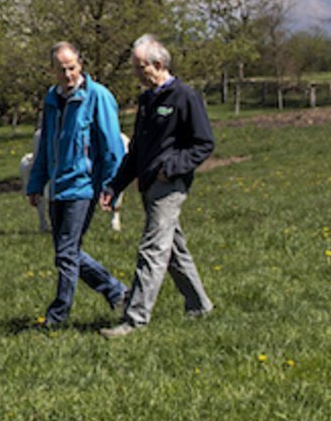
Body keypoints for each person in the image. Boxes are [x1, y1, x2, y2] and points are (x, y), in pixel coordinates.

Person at [99, 34, 215, 338]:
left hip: (170, 186)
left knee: (152, 249)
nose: (136, 74)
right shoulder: (147, 100)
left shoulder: (185, 97)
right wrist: (114, 186)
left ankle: (134, 318)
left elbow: (204, 143)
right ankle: (199, 306)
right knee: (174, 249)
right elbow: (136, 151)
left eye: (140, 68)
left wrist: (171, 168)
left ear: (159, 64)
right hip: (147, 185)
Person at [25, 41, 128, 328]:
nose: (68, 74)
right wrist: (36, 183)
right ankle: (118, 292)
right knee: (67, 252)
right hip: (58, 186)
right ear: (52, 71)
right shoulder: (51, 99)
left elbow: (111, 146)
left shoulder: (97, 96)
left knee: (66, 254)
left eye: (72, 68)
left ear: (80, 65)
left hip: (83, 186)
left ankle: (57, 317)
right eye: (61, 70)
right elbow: (46, 145)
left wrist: (112, 186)